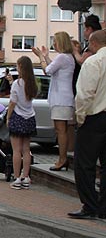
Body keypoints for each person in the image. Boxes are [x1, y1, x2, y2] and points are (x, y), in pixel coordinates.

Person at [69, 30, 106, 219]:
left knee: (85, 164)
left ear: (93, 44)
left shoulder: (93, 62)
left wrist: (80, 117)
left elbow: (84, 94)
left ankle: (90, 205)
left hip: (95, 117)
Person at [32, 31, 75, 171]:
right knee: (61, 130)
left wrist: (41, 58)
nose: (53, 44)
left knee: (61, 130)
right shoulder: (66, 57)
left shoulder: (63, 57)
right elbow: (54, 68)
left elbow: (48, 70)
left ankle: (62, 159)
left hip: (61, 99)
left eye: (55, 41)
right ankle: (63, 158)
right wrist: (46, 57)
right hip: (62, 98)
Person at [7, 56, 38, 189]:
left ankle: (16, 177)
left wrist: (8, 117)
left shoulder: (17, 83)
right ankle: (26, 176)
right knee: (26, 150)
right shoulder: (32, 83)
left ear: (21, 67)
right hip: (29, 117)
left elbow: (13, 102)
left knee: (16, 150)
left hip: (18, 117)